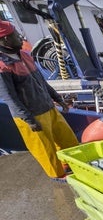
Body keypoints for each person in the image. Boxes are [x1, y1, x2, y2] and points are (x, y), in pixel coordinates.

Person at [0, 20, 79, 182]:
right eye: (15, 34)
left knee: (68, 140)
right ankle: (57, 176)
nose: (20, 37)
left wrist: (58, 99)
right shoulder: (3, 66)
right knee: (45, 149)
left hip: (48, 108)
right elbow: (10, 97)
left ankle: (70, 164)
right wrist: (28, 119)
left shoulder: (25, 56)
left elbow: (42, 82)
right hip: (31, 115)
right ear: (5, 39)